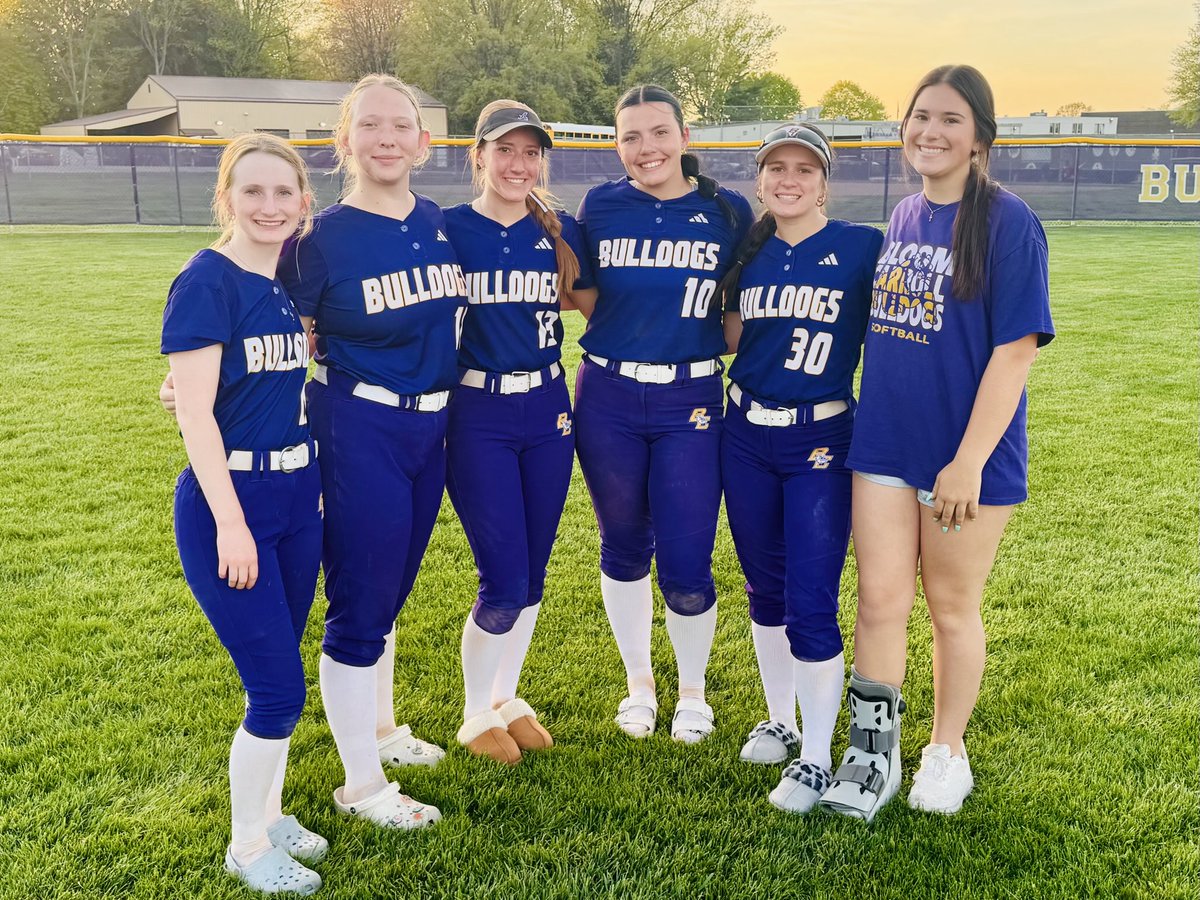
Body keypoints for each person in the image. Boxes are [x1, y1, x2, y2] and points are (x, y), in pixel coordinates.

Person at [820, 64, 1054, 821]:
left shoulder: (1009, 221)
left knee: (951, 607)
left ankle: (947, 752)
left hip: (965, 456)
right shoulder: (904, 214)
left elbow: (1015, 352)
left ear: (980, 135)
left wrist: (967, 463)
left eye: (951, 119)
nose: (931, 131)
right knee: (879, 601)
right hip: (885, 442)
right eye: (921, 116)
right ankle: (873, 755)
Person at [280, 74, 465, 828]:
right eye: (370, 125)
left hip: (431, 428)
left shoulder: (438, 222)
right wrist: (196, 382)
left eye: (401, 125)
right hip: (359, 425)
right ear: (345, 140)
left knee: (389, 594)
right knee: (359, 605)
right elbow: (272, 330)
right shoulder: (317, 240)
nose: (386, 138)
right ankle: (361, 784)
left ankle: (383, 731)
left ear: (423, 142)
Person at [162, 132, 326, 893]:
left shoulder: (285, 280)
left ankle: (271, 812)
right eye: (252, 190)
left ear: (303, 202)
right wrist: (232, 523)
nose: (269, 205)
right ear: (225, 197)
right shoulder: (208, 279)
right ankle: (246, 845)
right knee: (278, 690)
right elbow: (195, 415)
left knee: (282, 667)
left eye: (283, 192)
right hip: (232, 503)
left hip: (295, 498)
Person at [571, 84, 752, 742]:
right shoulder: (600, 205)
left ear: (684, 137)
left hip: (690, 399)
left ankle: (694, 691)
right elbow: (589, 296)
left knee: (687, 558)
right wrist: (635, 341)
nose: (645, 148)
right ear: (617, 146)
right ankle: (639, 684)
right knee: (622, 544)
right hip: (608, 396)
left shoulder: (726, 210)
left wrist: (682, 345)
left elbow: (740, 309)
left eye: (658, 132)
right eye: (630, 137)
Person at [716, 125, 883, 813]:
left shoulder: (860, 246)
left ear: (824, 182)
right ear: (760, 180)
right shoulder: (745, 250)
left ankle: (816, 757)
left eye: (804, 169)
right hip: (744, 434)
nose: (789, 179)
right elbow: (730, 335)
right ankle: (781, 719)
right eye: (776, 168)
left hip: (821, 437)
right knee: (765, 587)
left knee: (811, 599)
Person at [442, 100, 597, 764]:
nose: (518, 164)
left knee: (532, 572)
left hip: (547, 409)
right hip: (478, 412)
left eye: (531, 153)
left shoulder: (558, 231)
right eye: (504, 150)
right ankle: (475, 713)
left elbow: (599, 307)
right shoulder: (445, 228)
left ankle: (505, 696)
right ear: (478, 155)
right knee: (502, 577)